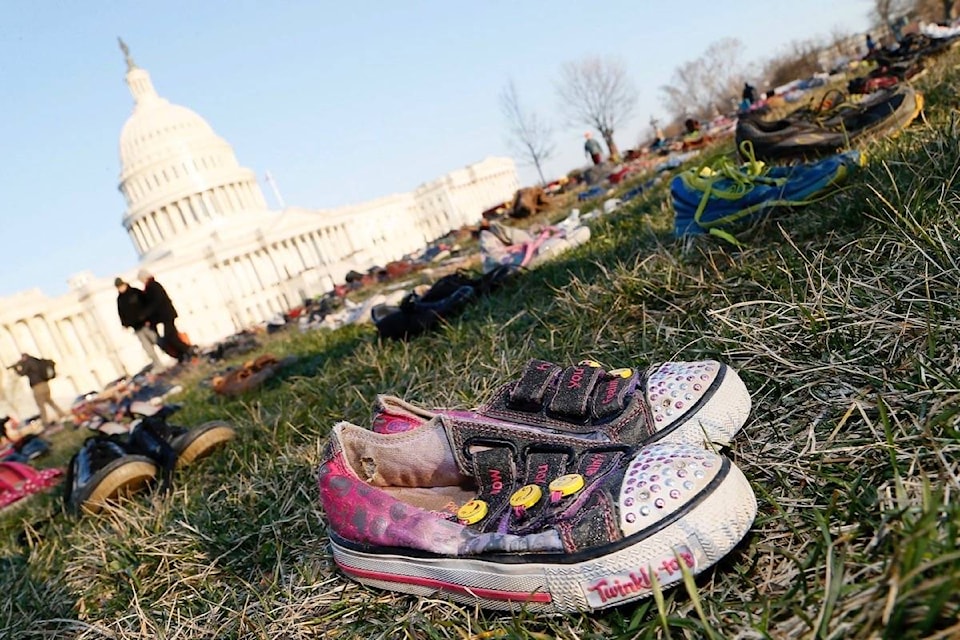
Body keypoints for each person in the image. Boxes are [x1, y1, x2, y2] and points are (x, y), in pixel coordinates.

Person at [138, 269, 192, 363]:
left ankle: (187, 350)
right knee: (170, 337)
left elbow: (156, 302)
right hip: (165, 316)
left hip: (166, 316)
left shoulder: (153, 286)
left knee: (170, 337)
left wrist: (147, 313)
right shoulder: (151, 286)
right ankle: (183, 354)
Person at [115, 277, 164, 368]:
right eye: (118, 287)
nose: (120, 289)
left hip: (146, 323)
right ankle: (159, 366)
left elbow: (146, 303)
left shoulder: (135, 292)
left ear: (124, 284)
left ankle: (174, 354)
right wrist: (125, 324)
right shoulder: (120, 300)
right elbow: (121, 313)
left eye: (121, 286)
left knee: (158, 341)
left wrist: (148, 317)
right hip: (136, 327)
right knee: (148, 349)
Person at [10, 353, 67, 426]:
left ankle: (45, 422)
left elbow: (22, 373)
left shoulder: (28, 363)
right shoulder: (37, 361)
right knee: (50, 401)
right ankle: (62, 414)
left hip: (37, 387)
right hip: (45, 384)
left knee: (41, 406)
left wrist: (15, 368)